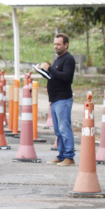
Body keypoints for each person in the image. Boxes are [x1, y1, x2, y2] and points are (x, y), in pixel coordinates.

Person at [41, 33, 76, 166]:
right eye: (55, 44)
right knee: (58, 130)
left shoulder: (69, 59)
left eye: (58, 44)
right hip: (55, 99)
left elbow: (66, 77)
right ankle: (61, 155)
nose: (56, 46)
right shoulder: (58, 59)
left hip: (63, 99)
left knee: (64, 128)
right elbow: (54, 76)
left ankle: (69, 156)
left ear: (66, 45)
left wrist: (49, 68)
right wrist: (44, 71)